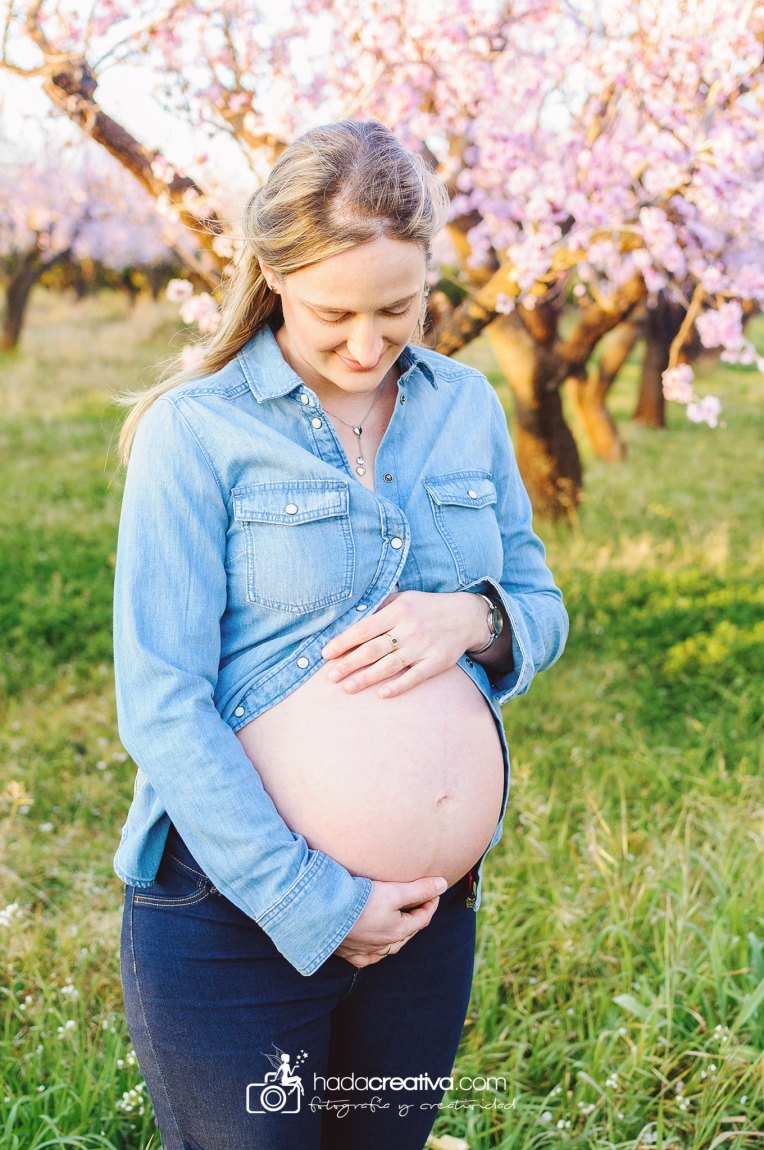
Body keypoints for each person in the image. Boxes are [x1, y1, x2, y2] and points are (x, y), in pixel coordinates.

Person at [112, 119, 569, 1150]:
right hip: (237, 912)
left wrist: (475, 617)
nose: (366, 345)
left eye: (396, 309)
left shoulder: (467, 408)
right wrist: (316, 900)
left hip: (422, 919)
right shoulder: (199, 432)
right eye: (332, 314)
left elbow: (538, 603)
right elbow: (162, 698)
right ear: (272, 274)